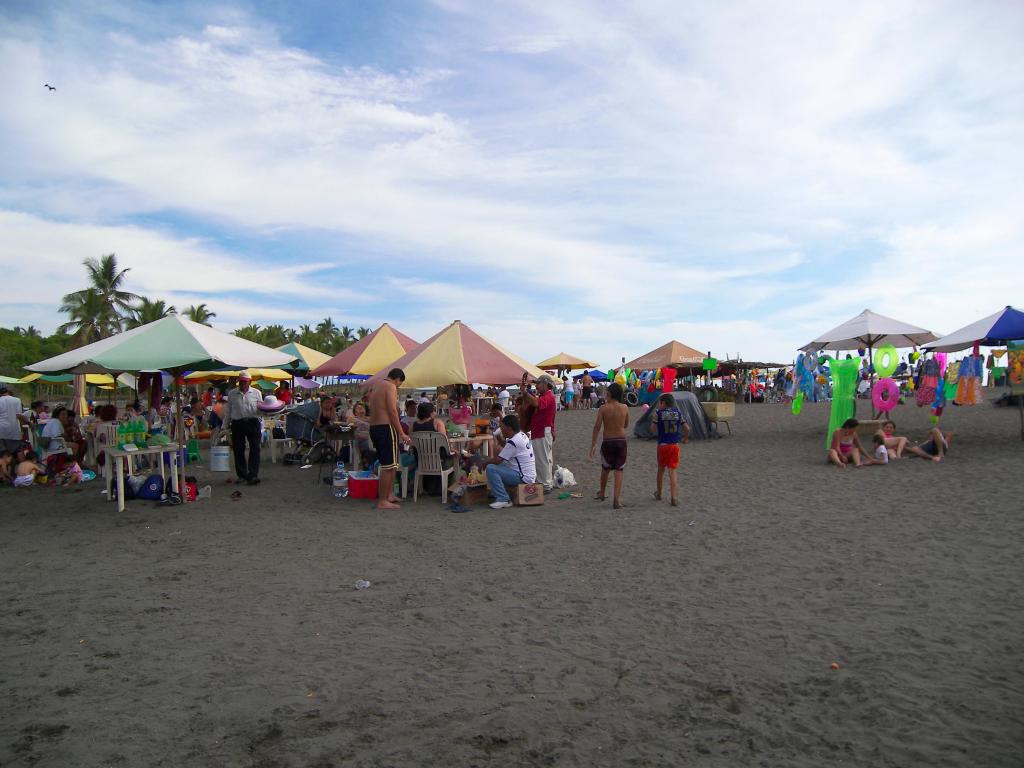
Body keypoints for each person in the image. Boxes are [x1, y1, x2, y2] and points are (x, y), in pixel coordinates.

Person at [368, 368, 411, 509]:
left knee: (391, 464)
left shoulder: (377, 385)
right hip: (385, 427)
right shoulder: (390, 386)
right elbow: (392, 411)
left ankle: (390, 494)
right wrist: (402, 433)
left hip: (374, 428)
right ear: (397, 379)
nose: (398, 387)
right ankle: (382, 500)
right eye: (399, 384)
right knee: (388, 466)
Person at [480, 414, 536, 510]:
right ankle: (500, 492)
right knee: (500, 464)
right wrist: (498, 437)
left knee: (491, 468)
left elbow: (497, 461)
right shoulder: (521, 435)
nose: (501, 430)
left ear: (509, 428)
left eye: (502, 428)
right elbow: (506, 447)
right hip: (528, 475)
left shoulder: (514, 441)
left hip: (523, 477)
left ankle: (503, 499)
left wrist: (484, 463)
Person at [590, 382, 629, 508]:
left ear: (610, 394)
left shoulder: (603, 408)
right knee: (619, 470)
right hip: (621, 441)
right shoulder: (625, 407)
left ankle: (602, 493)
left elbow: (597, 427)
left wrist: (593, 444)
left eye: (607, 392)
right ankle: (616, 499)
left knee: (605, 468)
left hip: (608, 441)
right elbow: (626, 424)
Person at [224, 372, 263, 485]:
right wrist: (224, 426)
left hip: (253, 422)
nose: (243, 384)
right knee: (238, 449)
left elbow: (261, 409)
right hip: (237, 423)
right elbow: (228, 411)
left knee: (255, 448)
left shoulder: (256, 393)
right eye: (241, 381)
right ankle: (242, 475)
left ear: (250, 382)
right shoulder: (232, 394)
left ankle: (253, 475)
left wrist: (264, 417)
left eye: (245, 382)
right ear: (238, 381)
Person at [411, 402, 459, 494]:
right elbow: (445, 442)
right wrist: (452, 450)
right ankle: (451, 487)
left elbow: (411, 444)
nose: (435, 412)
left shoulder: (412, 425)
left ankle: (427, 487)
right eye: (433, 410)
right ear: (430, 413)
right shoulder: (437, 423)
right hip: (439, 461)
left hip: (420, 462)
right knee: (455, 457)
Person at [649, 393, 688, 506]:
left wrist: (654, 420)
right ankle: (674, 497)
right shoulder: (678, 412)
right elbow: (687, 428)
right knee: (673, 471)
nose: (659, 405)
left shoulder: (658, 413)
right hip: (674, 445)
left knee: (661, 470)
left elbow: (652, 430)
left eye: (660, 403)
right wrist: (685, 438)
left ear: (664, 403)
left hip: (662, 445)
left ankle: (659, 493)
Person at [521, 373, 557, 491]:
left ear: (545, 384)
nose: (537, 386)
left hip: (542, 431)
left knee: (542, 460)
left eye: (538, 384)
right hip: (543, 431)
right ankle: (547, 483)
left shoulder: (548, 396)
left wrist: (525, 392)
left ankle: (545, 485)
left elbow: (536, 403)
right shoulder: (547, 396)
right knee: (546, 459)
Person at [0, 384, 28, 452]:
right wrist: (28, 421)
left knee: (2, 453)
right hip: (14, 430)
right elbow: (18, 415)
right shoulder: (17, 400)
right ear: (7, 391)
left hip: (1, 431)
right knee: (19, 450)